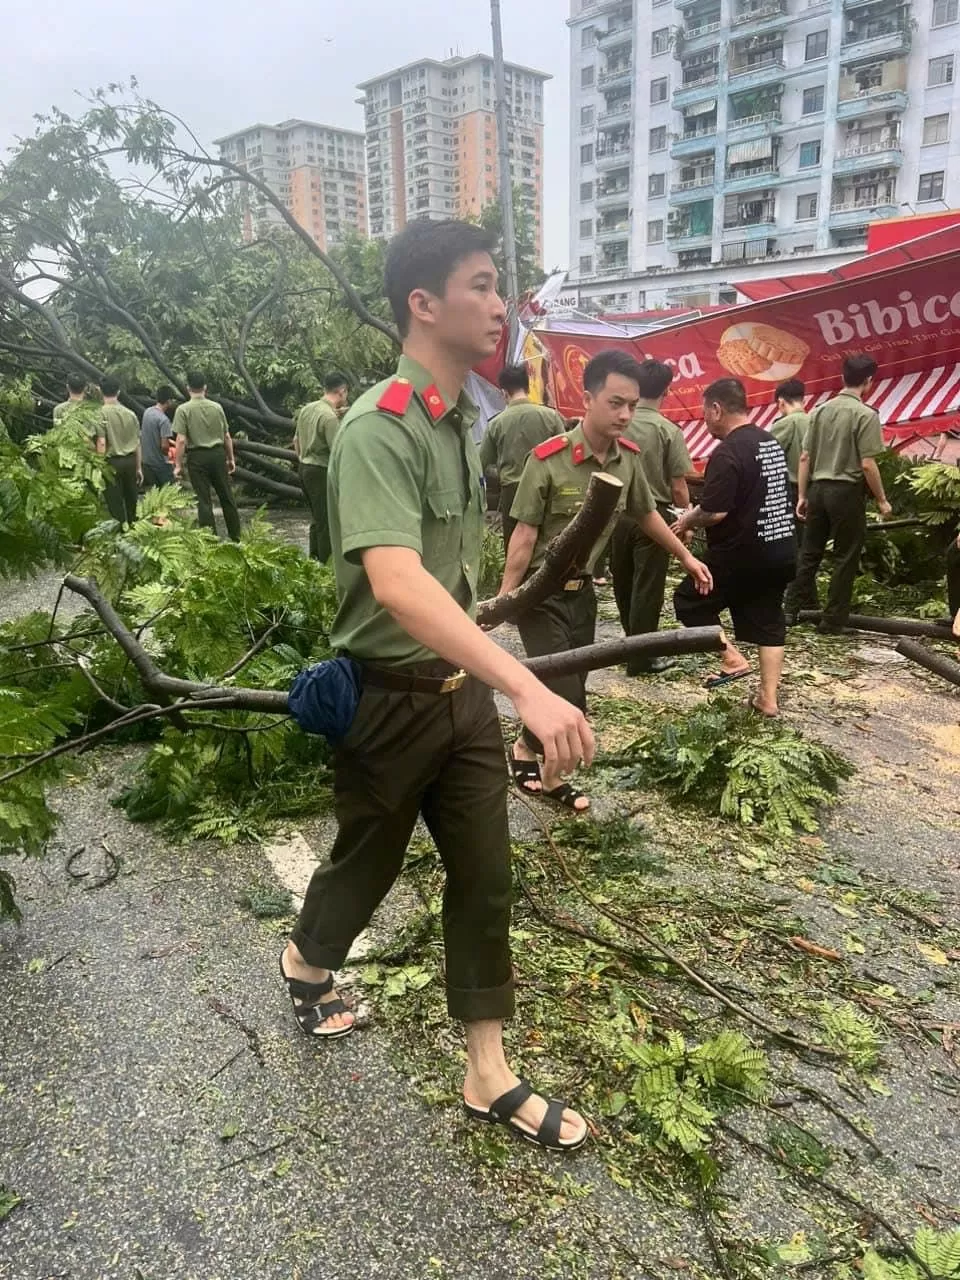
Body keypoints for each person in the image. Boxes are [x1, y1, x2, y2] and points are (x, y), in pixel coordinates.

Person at [280, 219, 594, 1153]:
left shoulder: (466, 423)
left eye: (501, 288)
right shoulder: (378, 425)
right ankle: (306, 958)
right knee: (367, 861)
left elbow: (451, 578)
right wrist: (529, 689)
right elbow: (397, 580)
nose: (502, 306)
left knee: (485, 875)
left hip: (457, 696)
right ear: (425, 304)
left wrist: (491, 661)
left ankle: (485, 1067)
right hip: (383, 698)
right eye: (483, 285)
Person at [501, 349, 712, 812]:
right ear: (588, 396)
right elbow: (524, 533)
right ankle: (554, 777)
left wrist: (686, 557)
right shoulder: (549, 459)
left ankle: (525, 745)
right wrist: (505, 599)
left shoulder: (628, 459)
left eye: (633, 405)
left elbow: (646, 513)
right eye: (616, 402)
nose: (625, 414)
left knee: (569, 679)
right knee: (566, 690)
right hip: (541, 594)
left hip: (583, 596)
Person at [672, 378, 797, 717]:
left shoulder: (727, 452)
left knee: (688, 601)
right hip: (781, 549)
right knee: (770, 620)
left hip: (741, 555)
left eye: (705, 413)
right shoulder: (769, 441)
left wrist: (686, 521)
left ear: (717, 408)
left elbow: (715, 510)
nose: (705, 421)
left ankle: (731, 659)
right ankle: (768, 699)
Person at [783, 354, 892, 634]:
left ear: (842, 378)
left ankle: (789, 611)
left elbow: (805, 457)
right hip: (845, 492)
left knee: (809, 553)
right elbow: (867, 463)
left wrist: (803, 496)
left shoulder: (819, 411)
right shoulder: (865, 415)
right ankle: (832, 621)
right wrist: (881, 500)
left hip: (818, 489)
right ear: (869, 381)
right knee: (845, 556)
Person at [609, 359, 693, 676]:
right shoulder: (667, 430)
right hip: (654, 517)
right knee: (648, 587)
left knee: (623, 580)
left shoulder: (618, 423)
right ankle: (641, 657)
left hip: (616, 513)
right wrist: (685, 520)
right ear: (667, 392)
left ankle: (632, 645)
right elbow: (679, 485)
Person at [479, 364, 566, 553]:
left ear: (504, 392)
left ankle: (519, 582)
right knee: (548, 545)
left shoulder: (496, 423)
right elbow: (565, 455)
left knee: (515, 547)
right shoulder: (551, 416)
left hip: (513, 492)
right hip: (547, 489)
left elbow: (481, 462)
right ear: (528, 387)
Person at [172, 373, 242, 542]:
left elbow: (181, 440)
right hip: (217, 455)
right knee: (226, 496)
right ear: (205, 387)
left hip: (197, 457)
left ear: (188, 388)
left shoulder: (183, 410)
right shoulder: (217, 407)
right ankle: (236, 537)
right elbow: (226, 436)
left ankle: (210, 541)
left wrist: (178, 465)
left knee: (204, 500)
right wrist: (230, 458)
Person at [293, 372, 350, 561]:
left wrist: (302, 458)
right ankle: (327, 565)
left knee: (316, 519)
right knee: (327, 522)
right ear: (341, 391)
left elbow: (296, 440)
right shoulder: (329, 418)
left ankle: (314, 559)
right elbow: (337, 451)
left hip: (304, 467)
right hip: (321, 471)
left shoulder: (307, 409)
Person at [97, 376, 142, 526]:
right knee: (132, 500)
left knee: (114, 502)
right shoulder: (130, 414)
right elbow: (137, 443)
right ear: (118, 391)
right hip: (130, 461)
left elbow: (102, 442)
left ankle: (119, 533)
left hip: (111, 463)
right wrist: (139, 467)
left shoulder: (100, 413)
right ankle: (134, 528)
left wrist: (98, 465)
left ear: (100, 391)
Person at [770, 378, 809, 535]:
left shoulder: (783, 424)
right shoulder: (815, 421)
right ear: (803, 400)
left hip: (791, 493)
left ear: (781, 402)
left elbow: (770, 458)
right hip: (817, 490)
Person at [140, 387, 177, 489]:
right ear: (169, 401)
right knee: (170, 493)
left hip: (147, 462)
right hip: (160, 464)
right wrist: (173, 455)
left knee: (155, 494)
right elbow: (164, 446)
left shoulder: (147, 412)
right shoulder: (164, 420)